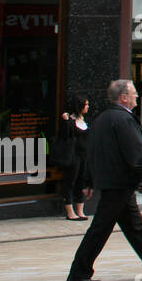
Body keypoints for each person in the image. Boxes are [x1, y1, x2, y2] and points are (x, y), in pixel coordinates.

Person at [64, 79, 142, 281]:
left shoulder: (101, 120)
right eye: (133, 93)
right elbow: (135, 151)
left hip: (112, 181)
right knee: (100, 228)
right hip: (119, 182)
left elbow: (91, 154)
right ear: (123, 97)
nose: (137, 96)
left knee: (133, 224)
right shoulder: (124, 120)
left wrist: (88, 181)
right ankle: (78, 274)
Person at [57, 93, 91, 221]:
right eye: (86, 105)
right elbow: (65, 136)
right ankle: (70, 211)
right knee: (70, 181)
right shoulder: (70, 120)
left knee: (81, 181)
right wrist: (66, 122)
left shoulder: (84, 121)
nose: (88, 107)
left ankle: (80, 210)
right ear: (79, 106)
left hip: (84, 155)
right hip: (73, 156)